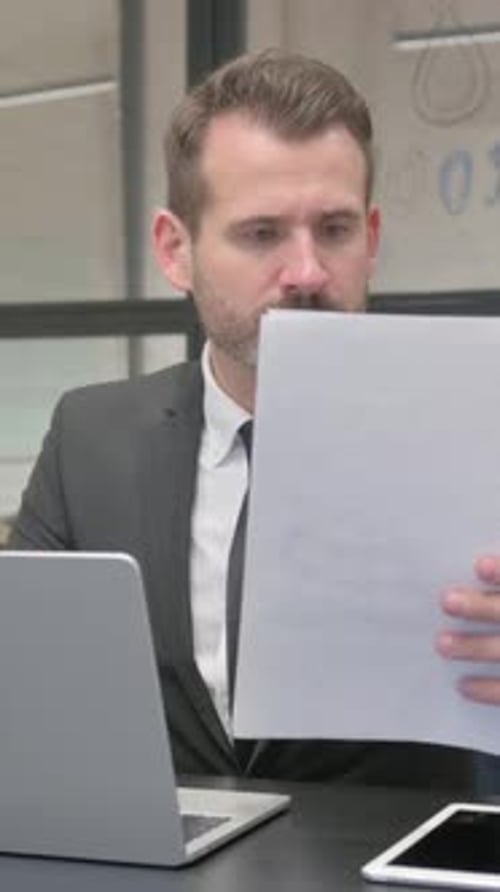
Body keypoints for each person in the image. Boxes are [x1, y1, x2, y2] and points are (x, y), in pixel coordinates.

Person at [9, 49, 500, 787]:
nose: (306, 271)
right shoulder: (90, 439)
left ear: (370, 238)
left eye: (334, 230)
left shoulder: (481, 428)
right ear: (176, 251)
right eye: (262, 233)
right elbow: (22, 693)